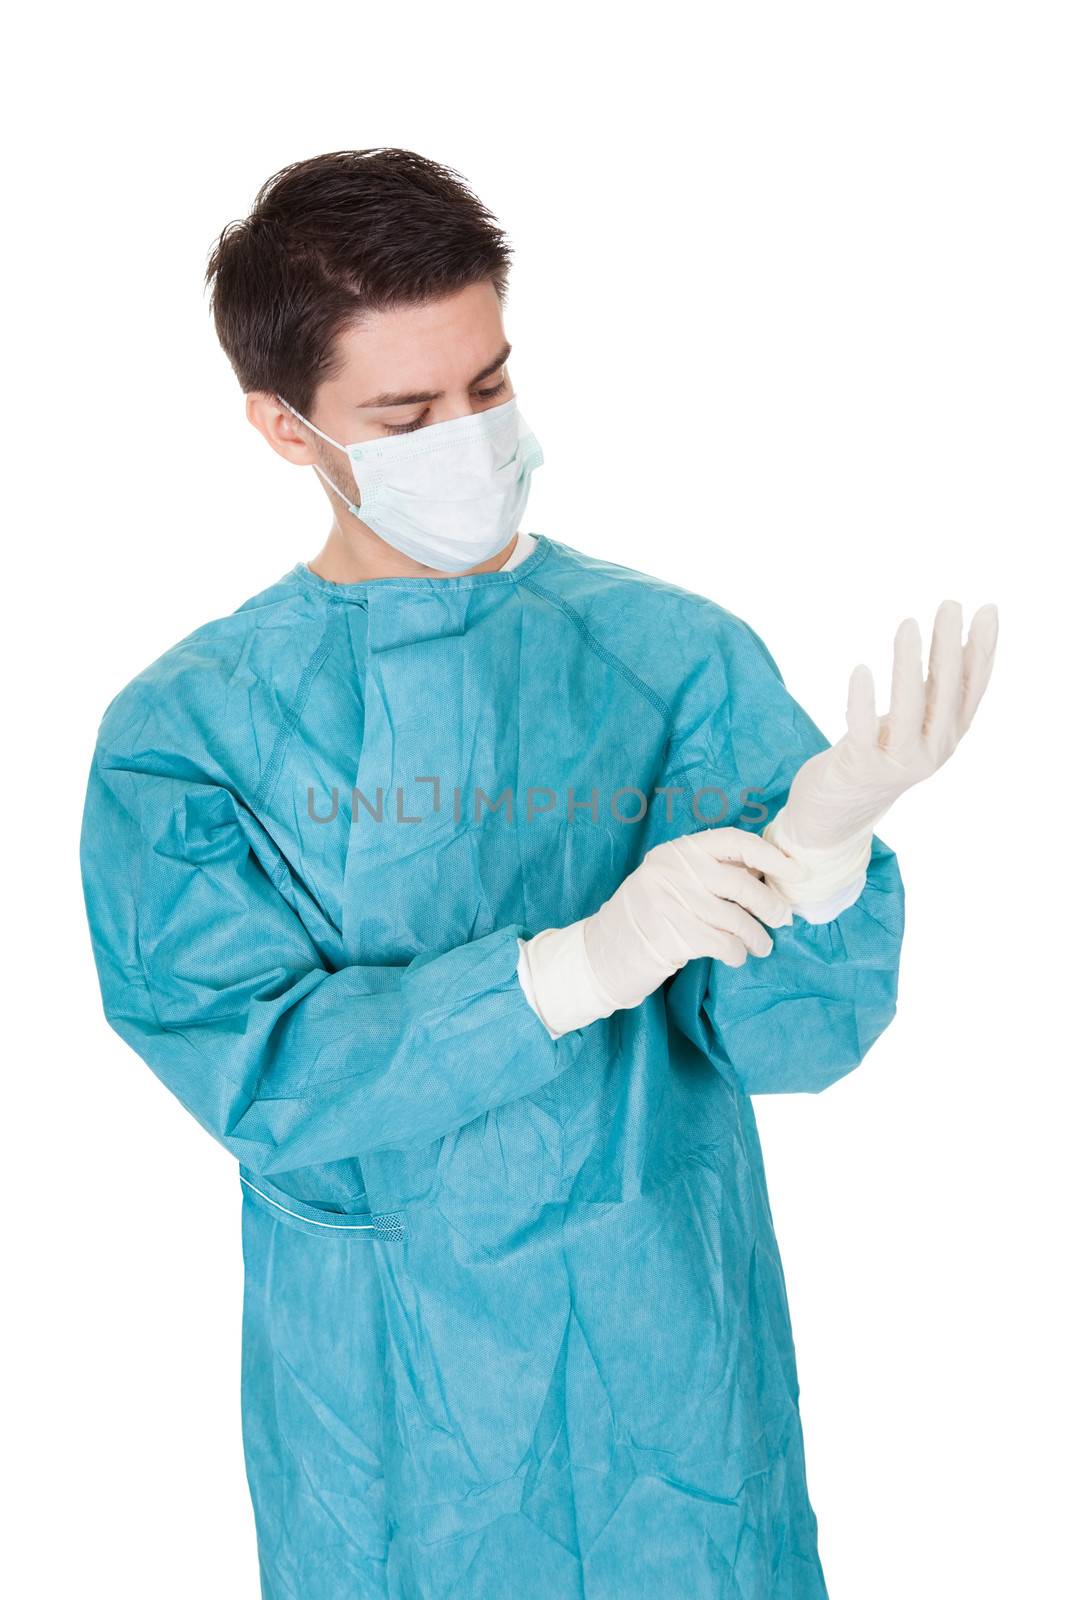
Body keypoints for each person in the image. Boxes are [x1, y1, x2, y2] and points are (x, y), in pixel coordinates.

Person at [79, 148, 998, 1600]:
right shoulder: (189, 739)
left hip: (677, 1404)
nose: (468, 438)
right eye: (406, 412)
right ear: (283, 426)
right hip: (385, 1425)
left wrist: (822, 856)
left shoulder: (674, 658)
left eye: (490, 386)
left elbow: (794, 1040)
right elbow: (258, 1075)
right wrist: (570, 970)